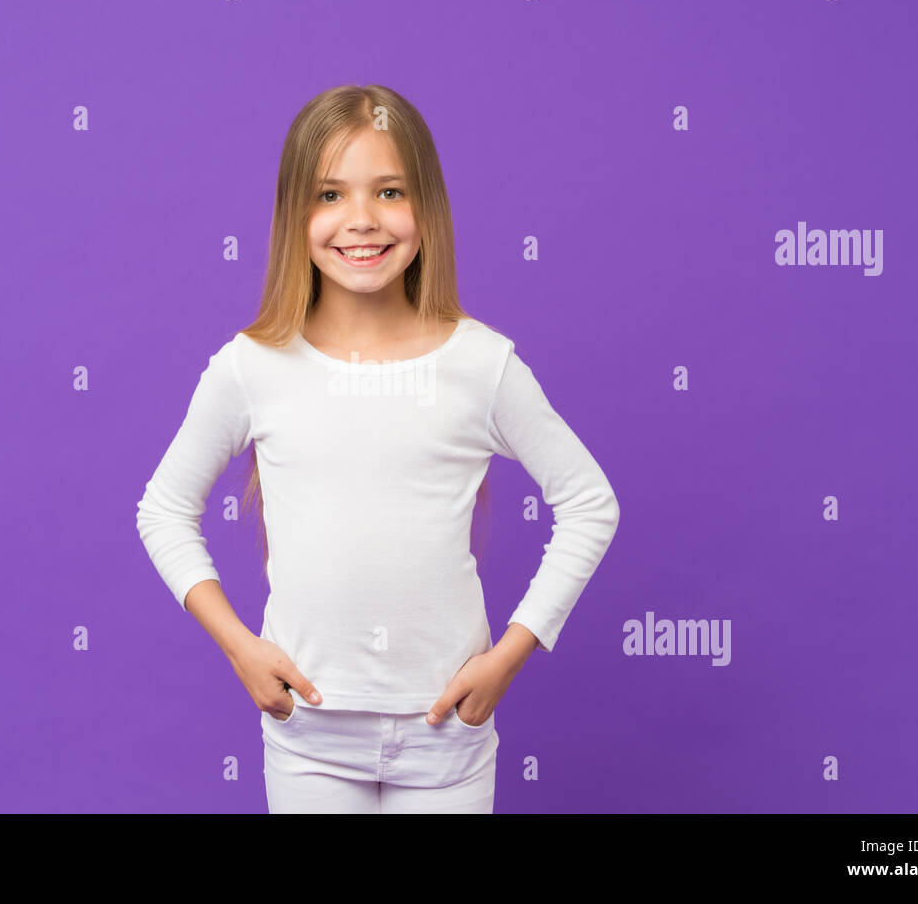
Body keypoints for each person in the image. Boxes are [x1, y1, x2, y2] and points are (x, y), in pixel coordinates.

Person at [136, 84, 620, 813]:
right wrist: (240, 644)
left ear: (425, 205)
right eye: (329, 194)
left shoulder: (480, 365)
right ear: (295, 214)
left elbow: (589, 502)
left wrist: (510, 655)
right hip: (311, 738)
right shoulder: (253, 366)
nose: (360, 219)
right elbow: (164, 508)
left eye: (389, 191)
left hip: (445, 734)